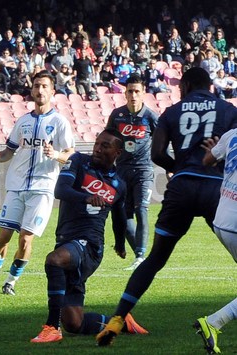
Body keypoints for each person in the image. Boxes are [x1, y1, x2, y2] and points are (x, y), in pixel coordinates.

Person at [96, 67, 237, 347]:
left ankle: (116, 320)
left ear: (183, 85)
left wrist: (181, 169)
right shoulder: (228, 110)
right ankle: (219, 320)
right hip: (214, 190)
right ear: (210, 86)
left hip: (181, 188)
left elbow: (157, 153)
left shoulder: (172, 111)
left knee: (155, 259)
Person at [31, 128, 149, 343]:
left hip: (90, 245)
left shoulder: (119, 185)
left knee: (54, 260)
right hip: (68, 241)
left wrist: (120, 244)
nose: (98, 148)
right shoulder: (77, 162)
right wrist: (86, 197)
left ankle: (51, 327)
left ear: (118, 153)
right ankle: (120, 321)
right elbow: (61, 190)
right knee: (75, 324)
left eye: (105, 146)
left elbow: (120, 217)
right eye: (97, 143)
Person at [0, 70, 75, 296]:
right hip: (17, 186)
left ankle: (11, 281)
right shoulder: (23, 121)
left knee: (25, 237)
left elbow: (70, 153)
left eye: (44, 87)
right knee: (3, 235)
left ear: (52, 91)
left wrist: (56, 154)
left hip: (43, 188)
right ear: (32, 90)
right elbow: (9, 151)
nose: (40, 90)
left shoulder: (59, 122)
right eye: (37, 86)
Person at [105, 74, 159, 270]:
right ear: (125, 93)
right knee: (122, 216)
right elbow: (107, 139)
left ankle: (141, 256)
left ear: (143, 93)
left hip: (143, 170)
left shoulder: (150, 117)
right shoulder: (116, 115)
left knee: (141, 210)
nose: (133, 95)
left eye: (137, 91)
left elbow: (163, 139)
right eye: (130, 91)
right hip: (121, 171)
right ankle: (141, 257)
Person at [193, 129, 237, 354]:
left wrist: (214, 150)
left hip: (221, 220)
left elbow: (208, 159)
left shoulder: (232, 135)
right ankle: (213, 322)